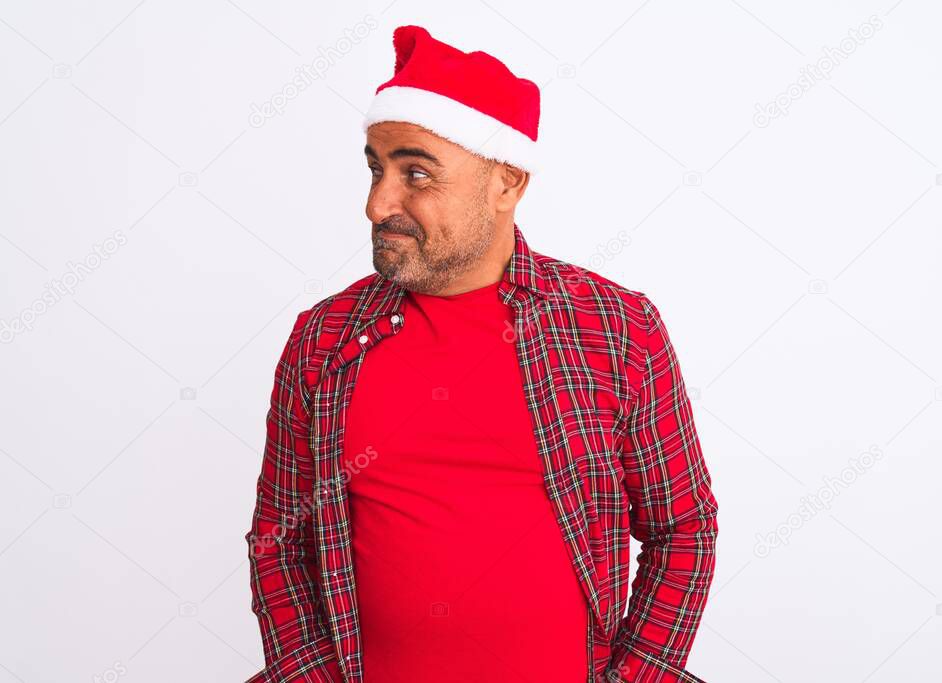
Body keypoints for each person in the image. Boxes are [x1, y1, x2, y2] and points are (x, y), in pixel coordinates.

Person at [244, 24, 717, 683]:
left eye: (417, 173)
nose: (378, 203)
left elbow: (683, 527)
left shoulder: (615, 327)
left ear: (506, 182)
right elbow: (278, 539)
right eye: (377, 169)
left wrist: (638, 676)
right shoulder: (322, 340)